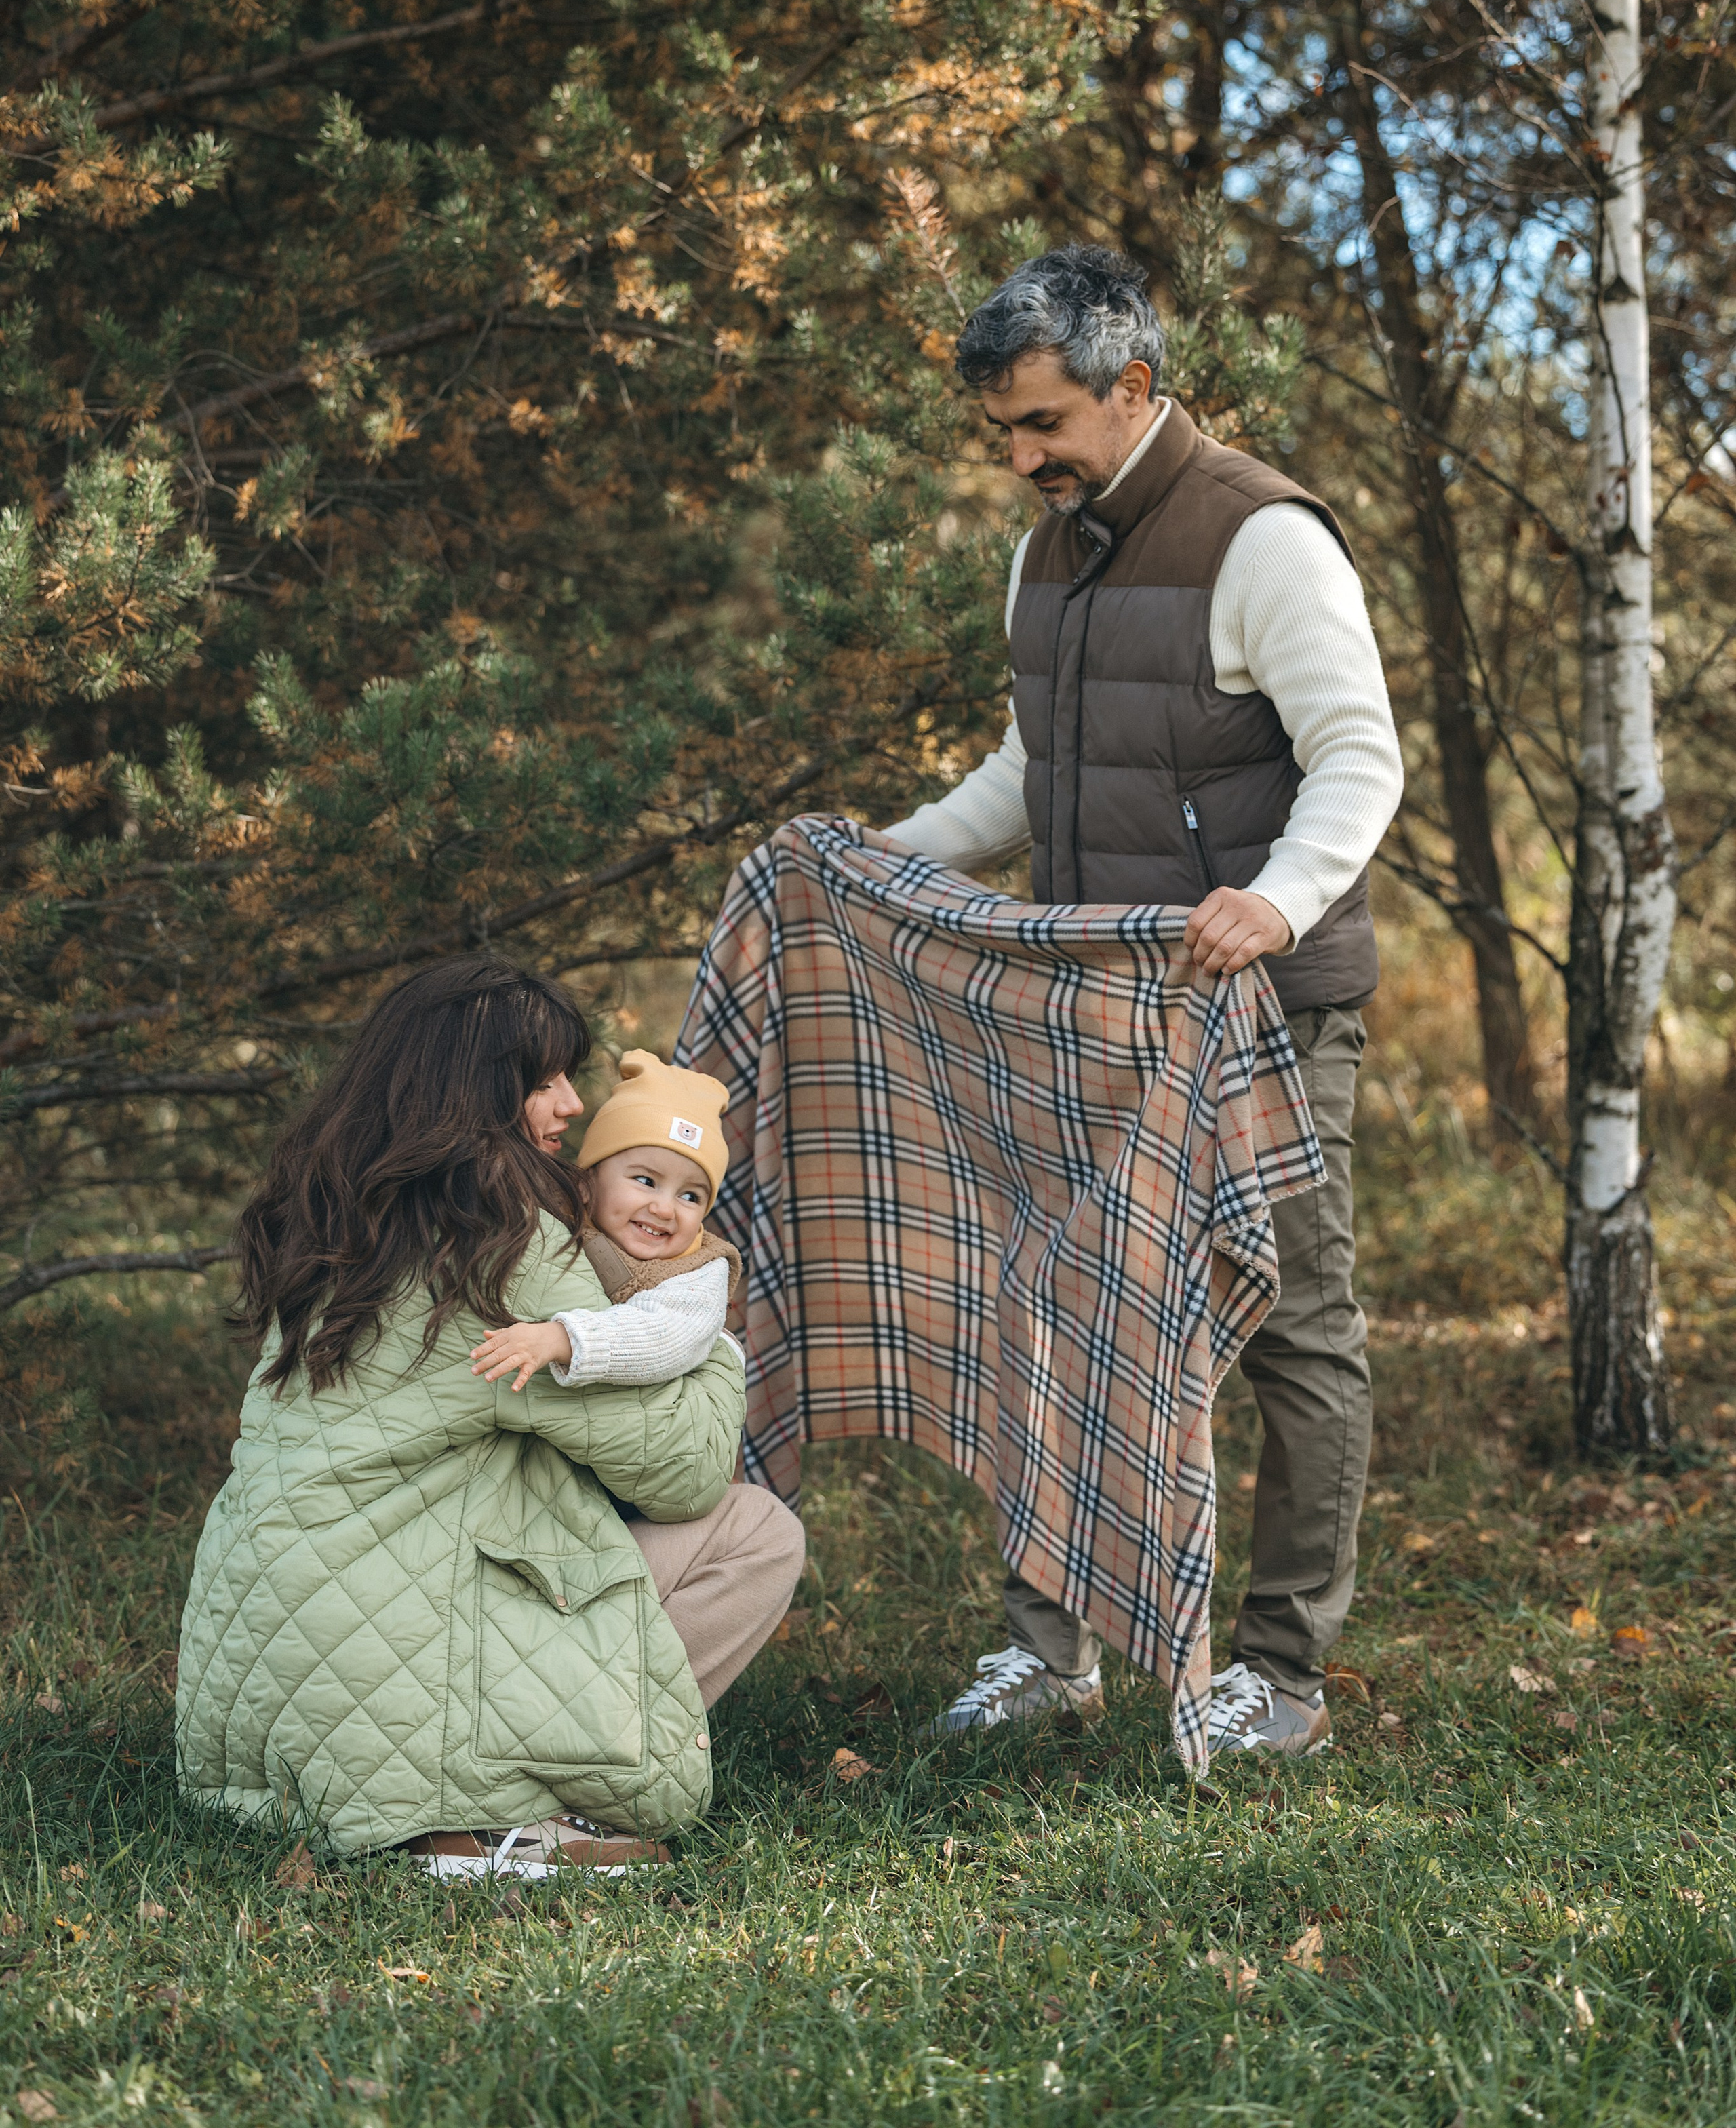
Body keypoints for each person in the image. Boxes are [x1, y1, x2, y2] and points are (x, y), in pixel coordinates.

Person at [881, 244, 1403, 1762]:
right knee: (1058, 1317)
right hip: (1096, 1013)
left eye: (1041, 422)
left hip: (1265, 1013)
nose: (1020, 456)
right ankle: (1050, 1654)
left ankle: (1279, 1677)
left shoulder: (1262, 539)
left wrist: (1277, 898)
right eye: (1002, 432)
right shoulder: (1046, 551)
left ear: (1131, 388)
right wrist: (876, 859)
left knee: (1294, 1332)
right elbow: (1027, 777)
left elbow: (1358, 756)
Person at [176, 962, 804, 1878]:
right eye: (544, 1080)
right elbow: (682, 1468)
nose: (569, 1105)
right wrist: (706, 1330)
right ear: (479, 1090)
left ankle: (508, 1761)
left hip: (259, 1663)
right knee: (756, 1530)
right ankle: (516, 1809)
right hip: (388, 1677)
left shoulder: (333, 1209)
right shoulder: (497, 1233)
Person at [469, 1050, 743, 1394]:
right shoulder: (553, 1218)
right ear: (586, 1185)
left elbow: (670, 1336)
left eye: (690, 1197)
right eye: (646, 1181)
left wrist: (563, 1339)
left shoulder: (697, 1272)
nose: (664, 1209)